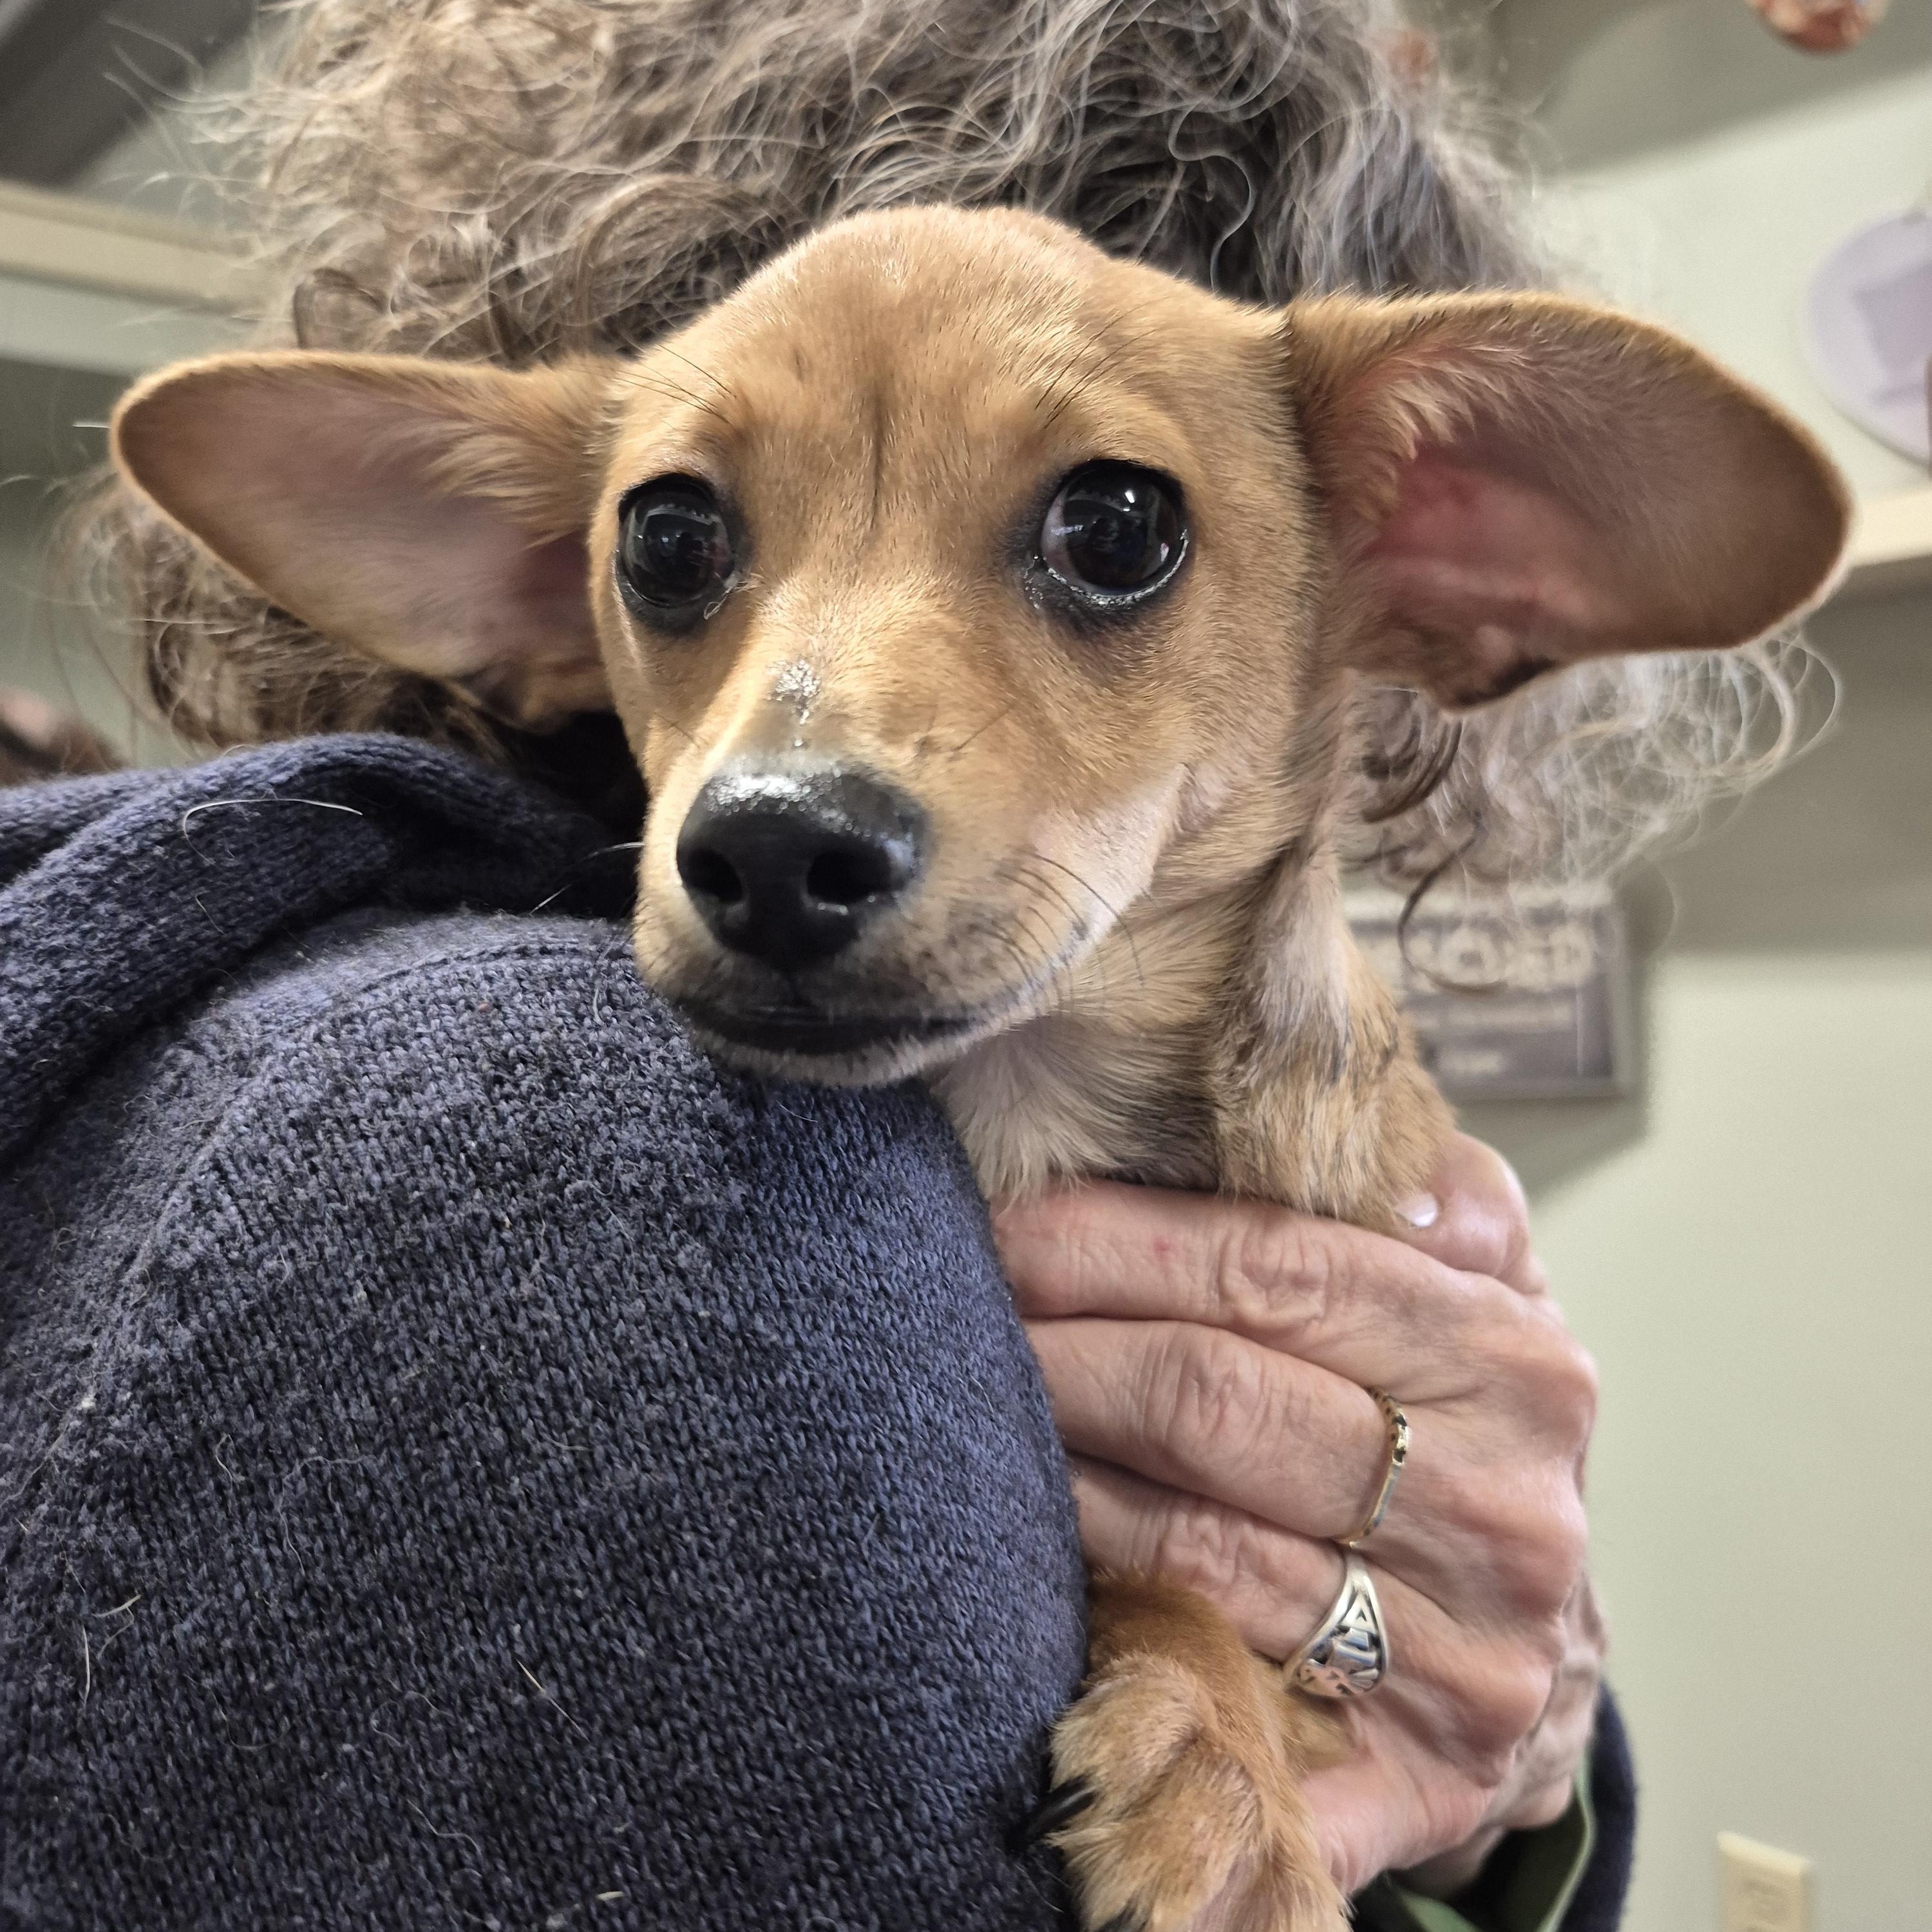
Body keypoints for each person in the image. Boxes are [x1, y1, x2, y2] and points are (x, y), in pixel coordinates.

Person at [21, 0, 1795, 1922]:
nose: (804, 756)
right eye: (681, 552)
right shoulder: (538, 1182)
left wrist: (1506, 1787)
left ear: (1423, 541)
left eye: (1106, 532)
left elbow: (1455, 1727)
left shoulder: (1415, 1266)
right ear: (544, 589)